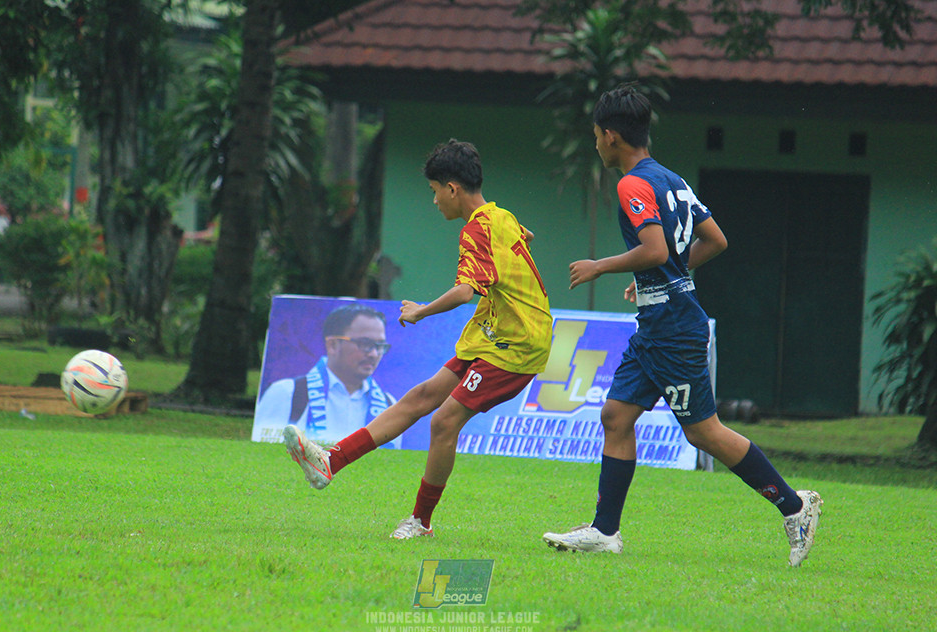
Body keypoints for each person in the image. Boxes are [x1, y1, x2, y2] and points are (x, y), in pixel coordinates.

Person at [541, 86, 823, 567]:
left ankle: (795, 507)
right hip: (658, 322)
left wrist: (601, 266)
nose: (595, 145)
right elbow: (715, 239)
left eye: (595, 136)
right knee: (616, 415)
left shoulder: (632, 184)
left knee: (704, 433)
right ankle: (605, 531)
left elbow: (653, 249)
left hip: (672, 328)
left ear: (611, 136)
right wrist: (664, 275)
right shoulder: (671, 179)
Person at [283, 139, 553, 539]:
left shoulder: (475, 232)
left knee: (444, 421)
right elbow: (523, 237)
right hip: (495, 333)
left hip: (519, 344)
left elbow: (465, 291)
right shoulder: (500, 216)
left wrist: (420, 311)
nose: (434, 202)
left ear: (452, 189)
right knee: (421, 398)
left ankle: (420, 522)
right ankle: (330, 461)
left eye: (434, 192)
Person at [252, 303, 399, 446]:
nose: (374, 354)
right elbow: (263, 453)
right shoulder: (286, 394)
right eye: (364, 343)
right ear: (332, 345)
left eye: (380, 346)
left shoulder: (389, 405)